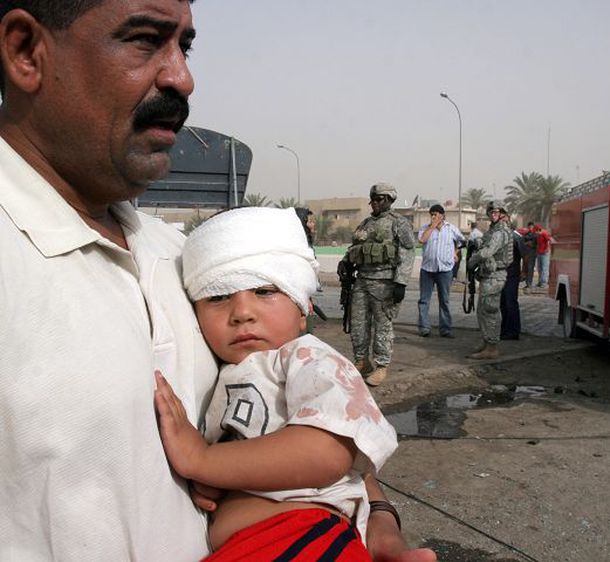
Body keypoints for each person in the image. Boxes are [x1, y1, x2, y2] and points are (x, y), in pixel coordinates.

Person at [0, 3, 434, 560]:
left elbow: (321, 430)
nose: (182, 76)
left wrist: (377, 518)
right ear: (25, 51)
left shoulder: (192, 259)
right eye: (143, 40)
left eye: (185, 46)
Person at [156, 207, 399, 560]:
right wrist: (220, 478)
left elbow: (327, 451)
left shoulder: (309, 358)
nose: (242, 312)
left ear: (303, 310)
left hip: (306, 541)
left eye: (265, 290)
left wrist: (204, 459)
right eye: (219, 296)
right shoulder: (229, 372)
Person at [338, 183, 416, 387]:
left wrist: (401, 282)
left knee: (383, 326)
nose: (374, 202)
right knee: (358, 324)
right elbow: (357, 247)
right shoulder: (366, 223)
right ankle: (362, 362)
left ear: (389, 200)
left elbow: (408, 252)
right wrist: (346, 260)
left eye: (379, 199)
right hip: (362, 281)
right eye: (373, 198)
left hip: (385, 282)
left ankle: (381, 366)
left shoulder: (398, 223)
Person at [466, 200, 513, 359]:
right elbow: (485, 244)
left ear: (502, 214)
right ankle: (487, 341)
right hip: (489, 275)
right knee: (483, 310)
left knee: (490, 310)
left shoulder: (500, 232)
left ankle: (492, 346)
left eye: (496, 212)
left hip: (495, 275)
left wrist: (472, 261)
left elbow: (487, 251)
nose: (493, 215)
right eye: (491, 212)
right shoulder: (493, 231)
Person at [417, 204, 465, 338]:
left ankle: (445, 328)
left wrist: (455, 252)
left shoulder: (451, 229)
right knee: (424, 300)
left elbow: (462, 241)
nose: (434, 216)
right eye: (432, 214)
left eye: (437, 214)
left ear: (443, 216)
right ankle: (424, 327)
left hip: (445, 269)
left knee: (444, 300)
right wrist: (432, 226)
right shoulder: (425, 229)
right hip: (427, 269)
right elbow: (422, 240)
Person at [500, 215, 522, 340]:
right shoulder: (498, 237)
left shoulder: (515, 237)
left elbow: (526, 255)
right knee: (503, 303)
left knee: (510, 302)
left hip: (512, 275)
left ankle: (513, 331)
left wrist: (524, 273)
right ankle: (505, 330)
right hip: (501, 275)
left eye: (505, 220)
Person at [521, 222, 537, 292]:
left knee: (530, 268)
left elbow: (536, 245)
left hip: (532, 254)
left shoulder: (536, 235)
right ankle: (527, 283)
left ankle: (529, 283)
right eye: (529, 227)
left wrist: (531, 244)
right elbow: (522, 242)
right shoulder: (525, 235)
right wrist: (527, 243)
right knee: (526, 268)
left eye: (531, 227)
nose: (530, 228)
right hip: (526, 253)